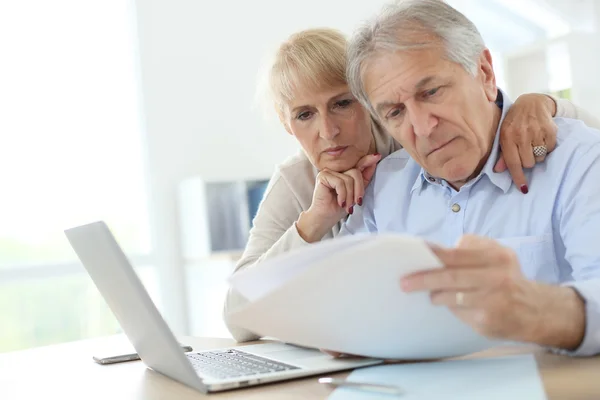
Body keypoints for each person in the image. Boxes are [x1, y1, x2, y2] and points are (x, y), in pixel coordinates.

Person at [224, 28, 600, 343]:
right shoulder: (296, 180)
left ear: (369, 102)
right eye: (304, 115)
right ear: (287, 123)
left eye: (342, 103)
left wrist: (542, 103)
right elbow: (238, 316)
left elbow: (578, 138)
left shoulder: (416, 147)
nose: (328, 131)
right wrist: (313, 222)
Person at [328, 0, 600, 356]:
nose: (422, 128)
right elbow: (340, 296)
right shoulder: (384, 186)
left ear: (485, 73)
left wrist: (533, 309)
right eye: (395, 112)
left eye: (431, 92)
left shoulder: (579, 161)